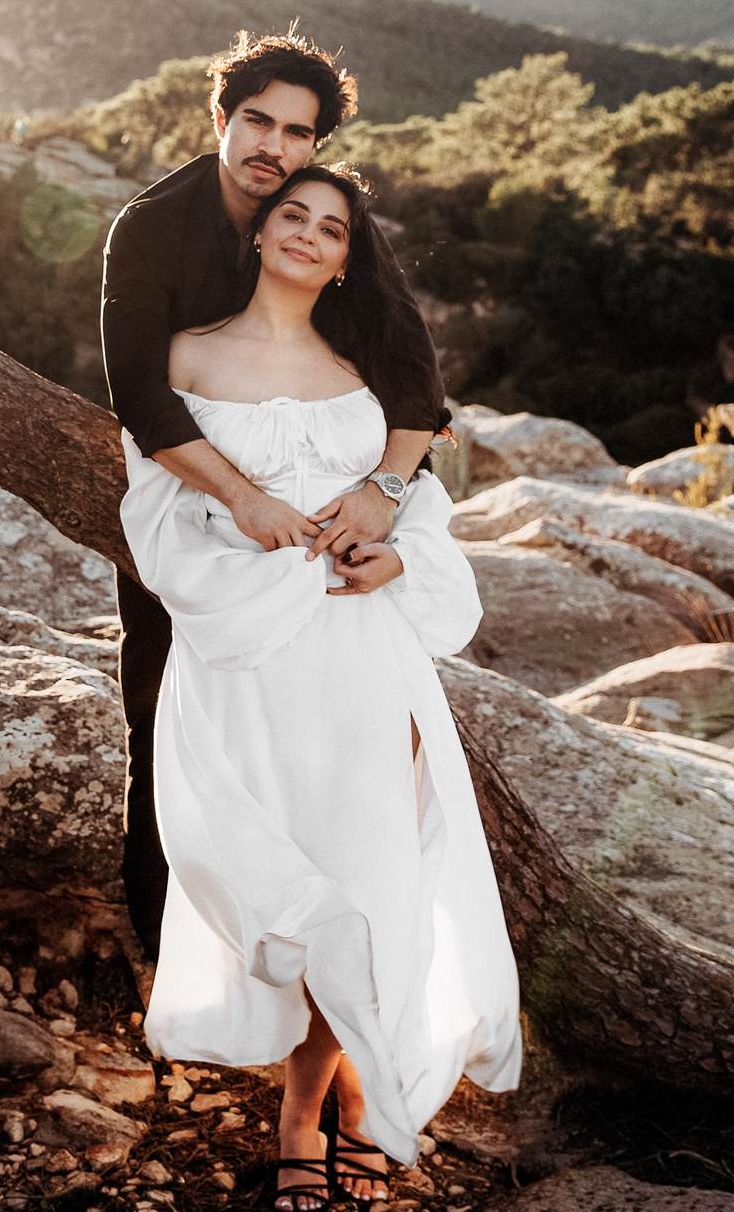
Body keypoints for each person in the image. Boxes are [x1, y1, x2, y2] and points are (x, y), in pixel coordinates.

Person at [120, 161, 521, 1211]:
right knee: (281, 876)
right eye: (289, 216)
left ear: (347, 256)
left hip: (361, 661)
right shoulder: (184, 358)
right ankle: (311, 1103)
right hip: (248, 660)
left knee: (372, 878)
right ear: (257, 236)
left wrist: (396, 556)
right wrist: (261, 557)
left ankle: (324, 1109)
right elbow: (157, 516)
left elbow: (418, 506)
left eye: (329, 227)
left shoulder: (363, 370)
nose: (304, 234)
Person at [99, 33, 450, 965]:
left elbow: (417, 387)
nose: (275, 145)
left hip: (333, 508)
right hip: (197, 499)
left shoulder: (330, 224)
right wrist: (244, 499)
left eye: (298, 132)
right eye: (258, 120)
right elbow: (139, 393)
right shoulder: (152, 226)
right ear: (222, 118)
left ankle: (330, 955)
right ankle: (179, 949)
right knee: (160, 705)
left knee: (343, 736)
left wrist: (382, 496)